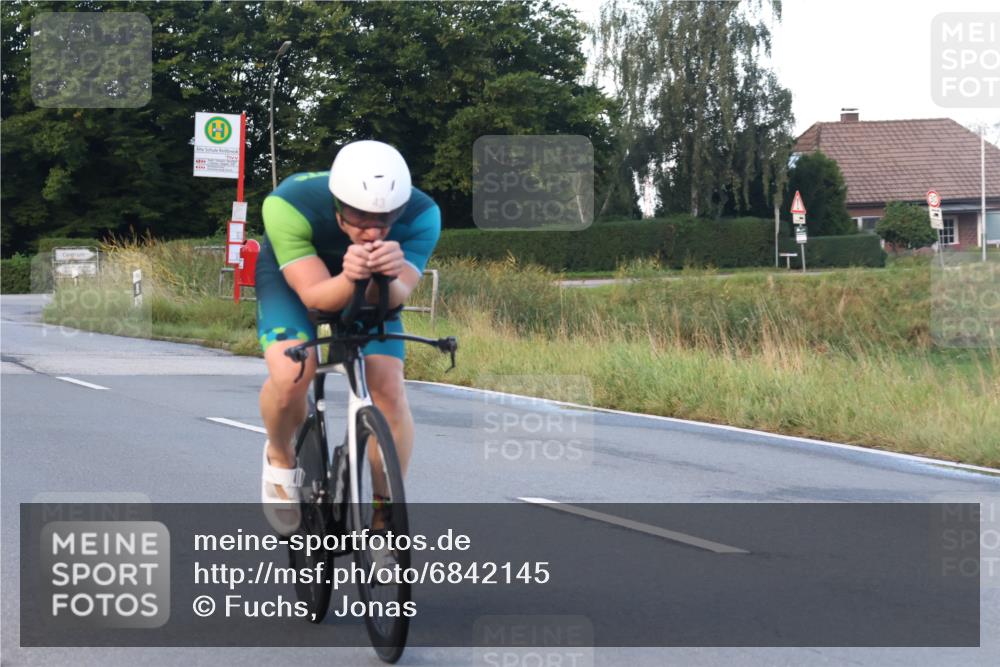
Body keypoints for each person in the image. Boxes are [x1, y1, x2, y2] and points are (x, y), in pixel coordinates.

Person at [255, 140, 440, 535]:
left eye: (386, 218)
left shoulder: (423, 215)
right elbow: (315, 297)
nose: (372, 229)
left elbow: (396, 297)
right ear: (338, 204)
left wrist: (384, 277)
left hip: (373, 290)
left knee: (388, 387)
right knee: (292, 374)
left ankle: (384, 514)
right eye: (359, 217)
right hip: (295, 283)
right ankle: (280, 454)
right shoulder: (288, 203)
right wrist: (350, 275)